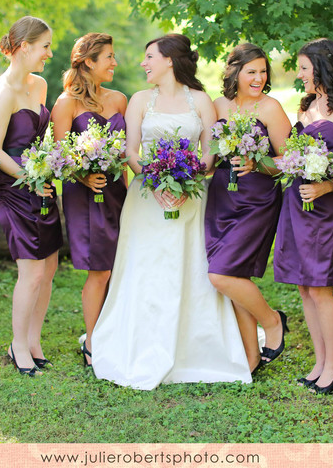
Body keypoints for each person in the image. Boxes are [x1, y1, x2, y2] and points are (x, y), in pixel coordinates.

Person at [91, 34, 251, 390]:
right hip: (147, 200)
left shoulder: (200, 101)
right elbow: (131, 151)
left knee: (188, 268)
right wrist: (155, 179)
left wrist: (190, 175)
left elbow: (211, 153)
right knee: (147, 270)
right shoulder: (139, 100)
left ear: (169, 60)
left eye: (150, 57)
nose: (143, 63)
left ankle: (195, 349)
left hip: (192, 198)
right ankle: (141, 346)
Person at [274, 38, 333, 395]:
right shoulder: (306, 107)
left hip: (327, 208)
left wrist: (327, 187)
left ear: (322, 67)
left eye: (303, 68)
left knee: (321, 287)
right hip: (297, 204)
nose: (299, 76)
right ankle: (319, 360)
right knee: (303, 285)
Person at [204, 43, 292, 372]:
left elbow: (287, 161)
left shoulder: (270, 108)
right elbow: (210, 158)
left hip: (257, 199)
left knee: (221, 274)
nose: (258, 78)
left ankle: (271, 321)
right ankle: (251, 359)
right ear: (235, 72)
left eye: (263, 71)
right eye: (251, 71)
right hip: (220, 197)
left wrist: (258, 162)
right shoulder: (218, 105)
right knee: (234, 275)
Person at [0, 16, 60, 377]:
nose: (49, 52)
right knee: (31, 269)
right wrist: (29, 176)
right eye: (45, 45)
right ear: (25, 46)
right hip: (10, 187)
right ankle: (17, 346)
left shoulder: (41, 85)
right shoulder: (2, 93)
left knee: (48, 266)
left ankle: (33, 340)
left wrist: (45, 169)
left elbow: (39, 139)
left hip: (38, 181)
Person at [50, 33, 128, 368]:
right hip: (85, 196)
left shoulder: (121, 100)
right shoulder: (66, 103)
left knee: (118, 267)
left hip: (117, 193)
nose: (114, 62)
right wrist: (83, 175)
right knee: (99, 269)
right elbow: (58, 155)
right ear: (88, 62)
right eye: (108, 56)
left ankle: (112, 331)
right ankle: (93, 343)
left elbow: (126, 154)